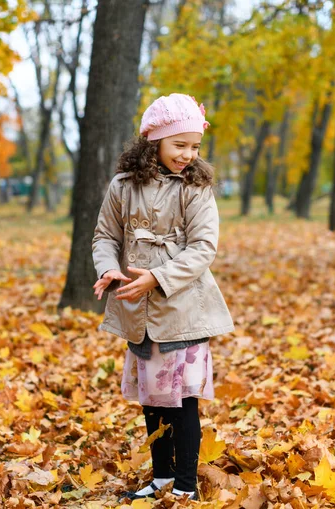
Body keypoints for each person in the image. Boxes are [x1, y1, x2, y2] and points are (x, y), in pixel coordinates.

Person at [91, 93, 235, 502]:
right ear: (153, 140)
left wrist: (158, 275)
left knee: (183, 401)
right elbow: (106, 236)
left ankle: (186, 484)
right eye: (179, 145)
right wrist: (108, 268)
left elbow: (203, 247)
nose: (188, 154)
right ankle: (161, 476)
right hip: (137, 308)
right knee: (153, 399)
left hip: (183, 308)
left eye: (195, 146)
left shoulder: (195, 187)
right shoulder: (123, 186)